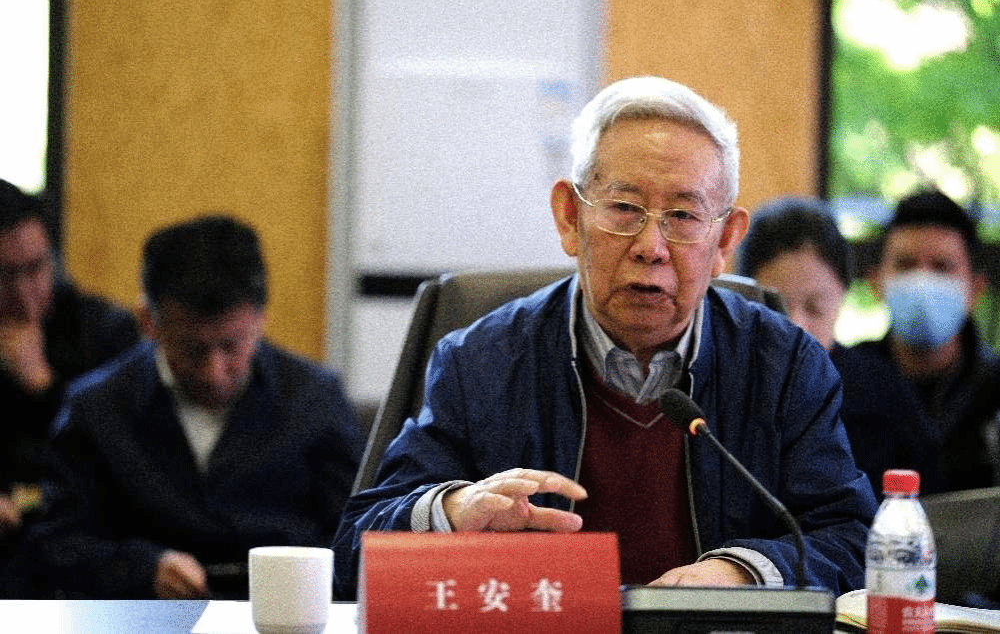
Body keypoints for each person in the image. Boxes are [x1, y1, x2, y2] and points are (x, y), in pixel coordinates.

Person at [333, 76, 877, 599]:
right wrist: (454, 511)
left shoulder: (785, 366)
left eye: (683, 216)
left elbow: (852, 540)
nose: (651, 247)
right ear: (570, 217)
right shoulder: (480, 361)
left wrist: (741, 575)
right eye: (624, 209)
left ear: (724, 242)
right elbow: (357, 549)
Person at [29, 215, 364, 599]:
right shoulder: (95, 409)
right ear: (148, 322)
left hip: (282, 613)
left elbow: (355, 536)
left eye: (231, 346)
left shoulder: (315, 399)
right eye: (193, 350)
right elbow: (56, 545)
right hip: (145, 615)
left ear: (260, 318)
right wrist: (142, 568)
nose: (213, 372)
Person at [0, 178, 140, 597]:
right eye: (4, 276)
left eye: (36, 268)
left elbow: (125, 457)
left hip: (86, 539)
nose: (23, 293)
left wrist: (42, 384)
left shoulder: (105, 332)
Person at [834, 189, 1000, 496]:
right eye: (906, 265)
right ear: (876, 281)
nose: (923, 280)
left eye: (942, 267)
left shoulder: (994, 393)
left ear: (976, 289)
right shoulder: (839, 386)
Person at [736, 196, 852, 352]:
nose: (796, 325)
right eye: (774, 308)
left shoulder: (869, 367)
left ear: (842, 296)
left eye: (814, 308)